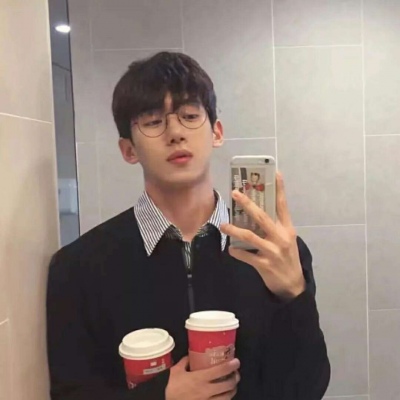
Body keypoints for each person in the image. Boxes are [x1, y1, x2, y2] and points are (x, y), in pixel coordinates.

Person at [47, 51, 330, 400]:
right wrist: (160, 396)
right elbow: (70, 393)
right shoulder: (77, 268)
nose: (176, 132)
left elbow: (307, 390)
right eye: (153, 121)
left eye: (190, 116)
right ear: (128, 150)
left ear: (216, 132)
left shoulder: (275, 252)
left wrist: (295, 295)